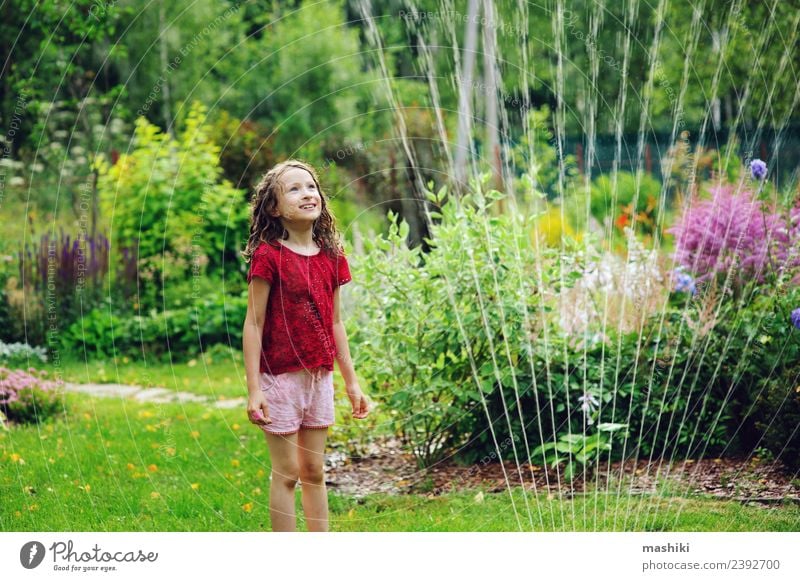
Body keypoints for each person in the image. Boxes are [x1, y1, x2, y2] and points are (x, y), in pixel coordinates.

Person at [241, 159, 369, 532]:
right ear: (274, 208)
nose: (307, 193)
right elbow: (254, 322)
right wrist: (254, 390)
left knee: (313, 470)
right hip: (279, 379)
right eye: (293, 189)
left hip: (319, 378)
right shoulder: (269, 257)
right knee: (287, 472)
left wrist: (352, 381)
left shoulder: (332, 257)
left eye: (311, 186)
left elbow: (335, 323)